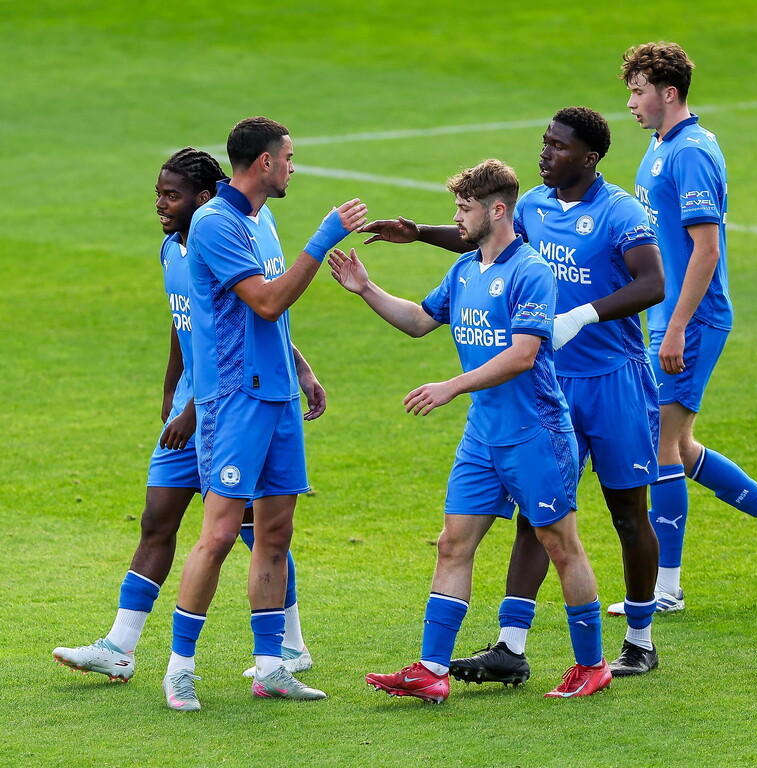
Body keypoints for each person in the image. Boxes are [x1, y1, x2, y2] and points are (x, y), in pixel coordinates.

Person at [359, 108, 666, 680]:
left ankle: (640, 639)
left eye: (558, 146)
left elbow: (654, 283)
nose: (545, 153)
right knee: (536, 516)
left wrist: (583, 316)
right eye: (544, 142)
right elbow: (485, 242)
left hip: (611, 377)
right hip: (542, 379)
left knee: (625, 512)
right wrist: (420, 234)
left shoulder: (620, 211)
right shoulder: (531, 208)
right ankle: (510, 644)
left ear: (589, 157)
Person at [332, 158, 610, 702]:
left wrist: (452, 386)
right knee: (452, 545)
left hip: (536, 433)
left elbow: (524, 355)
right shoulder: (463, 272)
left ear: (497, 209)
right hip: (483, 437)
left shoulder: (531, 271)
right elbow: (419, 320)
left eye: (464, 208)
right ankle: (432, 670)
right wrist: (367, 289)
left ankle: (593, 665)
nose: (456, 219)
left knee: (561, 546)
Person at [53, 148, 317, 683]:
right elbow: (186, 321)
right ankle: (119, 648)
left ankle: (291, 647)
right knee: (157, 520)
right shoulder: (171, 250)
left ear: (203, 199)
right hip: (190, 406)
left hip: (229, 403)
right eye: (158, 194)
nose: (160, 205)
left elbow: (256, 317)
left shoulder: (245, 227)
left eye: (171, 196)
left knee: (255, 530)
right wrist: (172, 391)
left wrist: (298, 370)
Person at [161, 118, 367, 712]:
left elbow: (270, 314)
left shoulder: (263, 219)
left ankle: (272, 665)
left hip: (276, 396)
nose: (294, 166)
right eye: (289, 157)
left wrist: (300, 368)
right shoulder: (214, 223)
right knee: (221, 534)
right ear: (264, 164)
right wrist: (324, 237)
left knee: (276, 532)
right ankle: (180, 669)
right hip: (233, 400)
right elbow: (268, 299)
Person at [616, 42, 757, 614]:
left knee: (659, 444)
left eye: (637, 91)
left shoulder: (692, 154)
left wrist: (678, 325)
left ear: (668, 92)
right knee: (677, 444)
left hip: (695, 318)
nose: (630, 102)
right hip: (670, 316)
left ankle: (666, 588)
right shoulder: (660, 147)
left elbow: (706, 250)